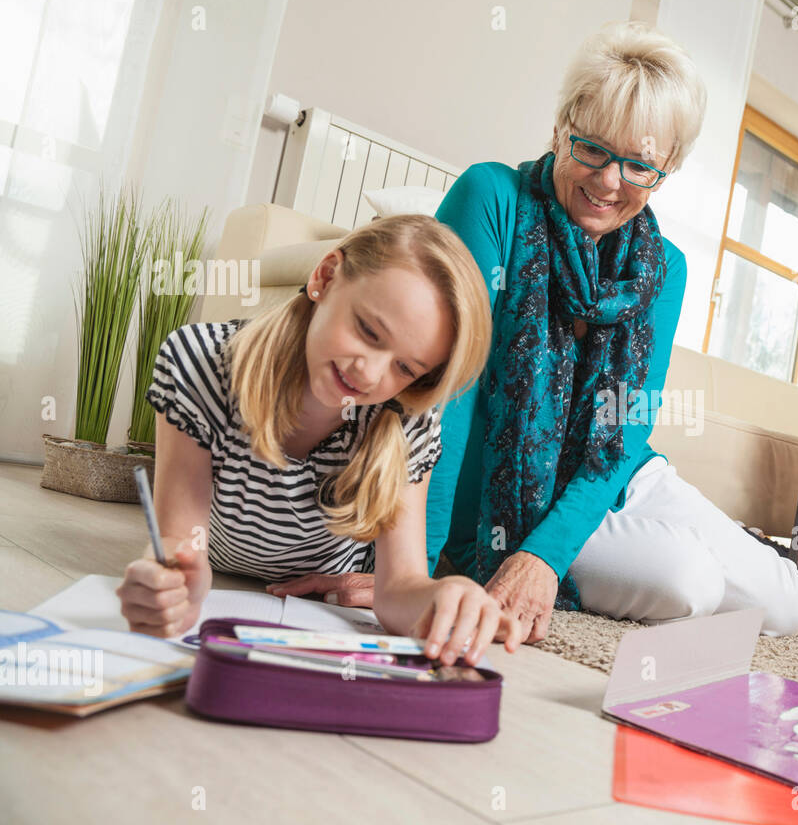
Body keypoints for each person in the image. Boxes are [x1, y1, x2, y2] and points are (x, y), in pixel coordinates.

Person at [268, 21, 798, 640]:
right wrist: (411, 573)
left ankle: (685, 536)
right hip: (499, 500)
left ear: (669, 168)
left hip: (618, 474)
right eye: (591, 149)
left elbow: (625, 429)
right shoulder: (492, 197)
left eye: (640, 167)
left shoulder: (668, 270)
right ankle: (668, 548)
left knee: (789, 601)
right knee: (691, 584)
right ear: (560, 127)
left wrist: (544, 557)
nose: (609, 181)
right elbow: (446, 393)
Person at [115, 215, 523, 666]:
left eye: (405, 368)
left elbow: (398, 590)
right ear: (325, 277)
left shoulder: (407, 419)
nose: (369, 373)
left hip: (326, 593)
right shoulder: (198, 363)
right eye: (368, 331)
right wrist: (174, 580)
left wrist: (444, 593)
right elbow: (184, 541)